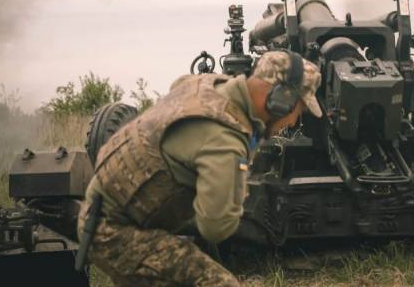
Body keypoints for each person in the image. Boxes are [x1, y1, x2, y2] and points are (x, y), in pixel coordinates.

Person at [77, 50, 322, 286]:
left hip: (105, 208)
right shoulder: (225, 141)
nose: (294, 122)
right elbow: (216, 227)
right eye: (298, 110)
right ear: (281, 99)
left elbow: (179, 84)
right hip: (112, 232)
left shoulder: (207, 84)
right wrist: (235, 184)